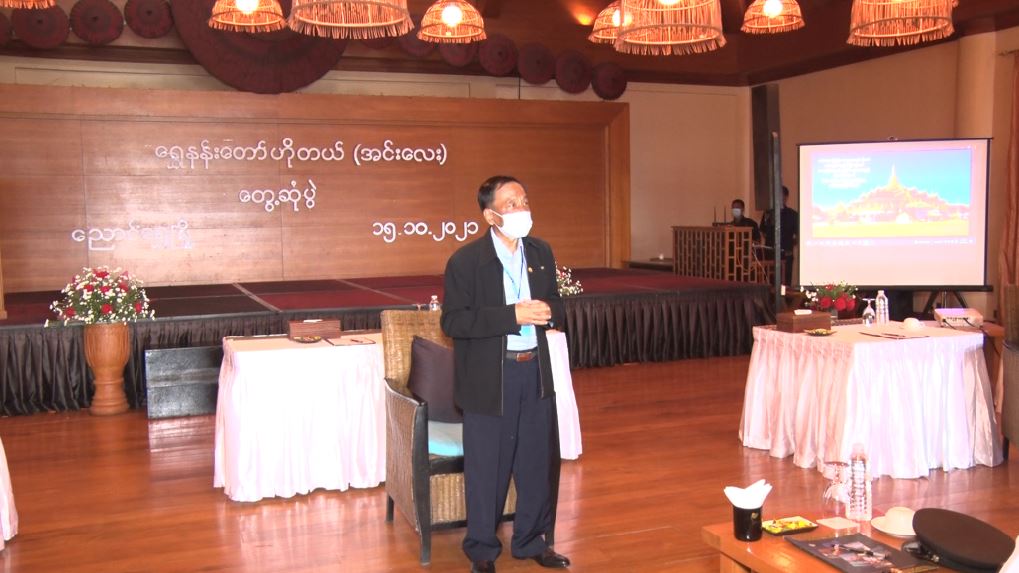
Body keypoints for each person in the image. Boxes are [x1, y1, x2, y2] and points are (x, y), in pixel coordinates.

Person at [441, 176, 570, 573]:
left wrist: (550, 312)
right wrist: (512, 315)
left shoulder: (541, 251)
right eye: (511, 203)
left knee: (536, 462)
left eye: (524, 200)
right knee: (487, 469)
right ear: (490, 215)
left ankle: (531, 540)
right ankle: (482, 550)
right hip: (490, 379)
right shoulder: (466, 261)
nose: (522, 209)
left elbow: (558, 305)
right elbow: (453, 322)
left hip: (535, 373)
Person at [761, 185, 799, 285]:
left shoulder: (793, 215)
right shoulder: (768, 213)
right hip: (770, 255)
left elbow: (798, 235)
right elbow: (763, 231)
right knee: (770, 281)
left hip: (786, 255)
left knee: (785, 282)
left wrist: (790, 244)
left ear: (785, 197)